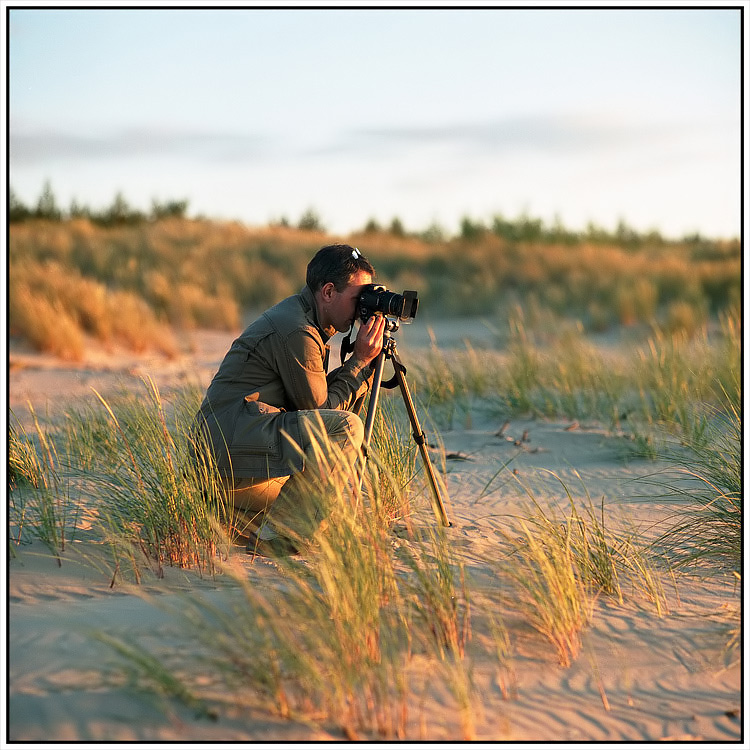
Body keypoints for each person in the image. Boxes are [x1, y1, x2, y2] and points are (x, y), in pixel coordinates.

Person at [193, 244, 386, 556]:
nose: (362, 307)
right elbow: (324, 416)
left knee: (325, 503)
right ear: (328, 292)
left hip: (226, 451)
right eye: (358, 297)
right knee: (347, 429)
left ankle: (225, 515)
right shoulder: (297, 329)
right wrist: (360, 363)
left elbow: (314, 409)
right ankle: (284, 541)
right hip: (228, 453)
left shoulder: (303, 318)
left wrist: (360, 367)